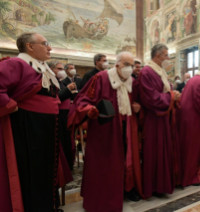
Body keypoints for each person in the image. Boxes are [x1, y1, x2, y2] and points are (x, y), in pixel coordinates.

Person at [0, 32, 72, 212]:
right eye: (45, 43)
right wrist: (8, 105)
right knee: (32, 173)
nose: (50, 48)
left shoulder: (43, 68)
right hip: (27, 129)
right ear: (30, 46)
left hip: (47, 129)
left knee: (47, 171)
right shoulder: (16, 63)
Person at [68, 52, 143, 212]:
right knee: (104, 165)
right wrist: (89, 109)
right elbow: (83, 100)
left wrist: (138, 108)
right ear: (117, 65)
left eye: (132, 64)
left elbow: (137, 101)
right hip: (105, 129)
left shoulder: (133, 83)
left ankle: (125, 190)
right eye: (126, 64)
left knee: (125, 161)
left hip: (127, 128)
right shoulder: (101, 78)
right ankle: (100, 198)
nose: (129, 68)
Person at [138, 44, 180, 198]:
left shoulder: (160, 71)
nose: (168, 58)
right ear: (158, 56)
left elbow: (164, 91)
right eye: (166, 55)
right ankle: (153, 186)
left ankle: (162, 185)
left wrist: (173, 94)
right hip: (153, 119)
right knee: (154, 152)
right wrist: (171, 96)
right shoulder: (147, 72)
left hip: (163, 118)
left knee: (163, 151)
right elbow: (150, 97)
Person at [48, 60, 77, 171]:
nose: (62, 71)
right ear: (51, 69)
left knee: (67, 142)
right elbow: (55, 97)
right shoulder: (49, 81)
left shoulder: (59, 82)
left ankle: (68, 166)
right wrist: (68, 90)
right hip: (58, 115)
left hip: (65, 114)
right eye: (59, 69)